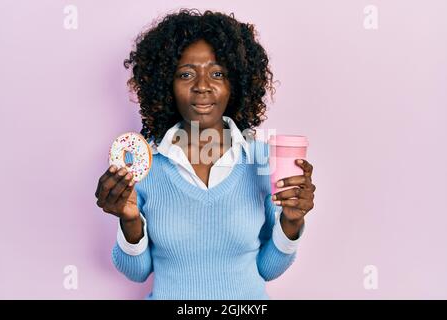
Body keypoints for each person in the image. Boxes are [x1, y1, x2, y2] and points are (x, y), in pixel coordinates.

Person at [95, 8, 316, 300]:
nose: (202, 86)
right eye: (186, 74)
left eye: (217, 73)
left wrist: (292, 220)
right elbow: (137, 272)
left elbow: (267, 268)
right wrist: (129, 219)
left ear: (235, 83)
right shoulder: (145, 163)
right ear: (165, 85)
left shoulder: (263, 159)